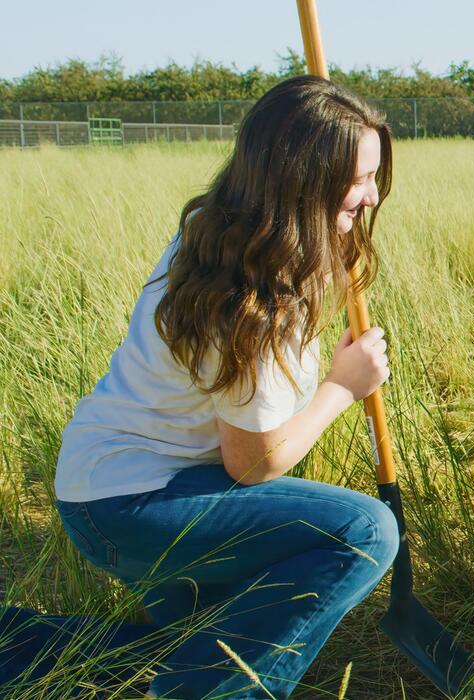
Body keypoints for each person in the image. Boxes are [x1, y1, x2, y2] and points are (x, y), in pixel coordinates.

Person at [47, 76, 401, 699]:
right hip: (136, 504)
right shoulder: (253, 294)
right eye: (359, 179)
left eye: (375, 175)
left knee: (190, 644)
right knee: (365, 531)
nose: (372, 197)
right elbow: (253, 461)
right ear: (301, 183)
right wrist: (342, 389)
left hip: (121, 487)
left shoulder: (222, 232)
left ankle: (18, 646)